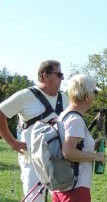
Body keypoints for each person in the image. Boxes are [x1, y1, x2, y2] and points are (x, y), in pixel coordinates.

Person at [0, 60, 68, 202]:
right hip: (32, 159)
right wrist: (12, 142)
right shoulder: (26, 95)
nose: (62, 78)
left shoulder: (65, 99)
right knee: (34, 199)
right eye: (59, 74)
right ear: (46, 75)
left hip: (59, 160)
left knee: (61, 198)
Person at [52, 74, 106, 202]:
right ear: (87, 96)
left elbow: (71, 145)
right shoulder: (75, 119)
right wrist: (96, 156)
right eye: (95, 92)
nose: (95, 96)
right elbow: (68, 152)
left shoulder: (64, 115)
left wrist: (93, 144)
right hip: (76, 188)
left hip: (62, 185)